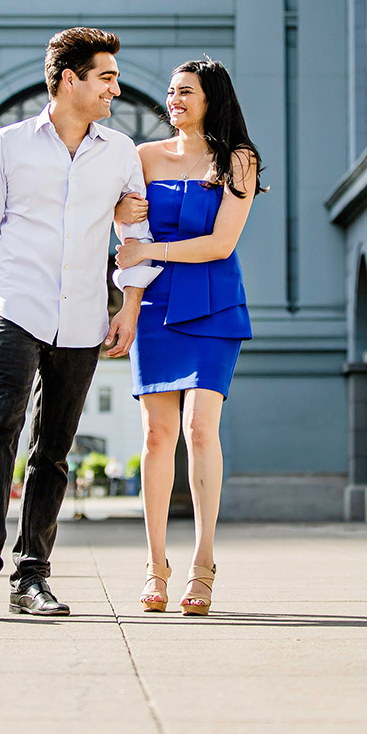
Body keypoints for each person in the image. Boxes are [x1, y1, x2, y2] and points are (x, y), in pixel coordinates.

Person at [0, 27, 156, 615]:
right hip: (15, 306)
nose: (115, 88)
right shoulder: (8, 145)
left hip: (85, 316)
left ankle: (31, 576)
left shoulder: (118, 153)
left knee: (53, 451)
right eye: (106, 77)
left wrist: (130, 307)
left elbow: (134, 237)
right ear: (71, 79)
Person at [112, 57, 259, 618]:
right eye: (171, 92)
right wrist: (121, 217)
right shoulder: (142, 157)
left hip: (214, 302)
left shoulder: (238, 161)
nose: (174, 100)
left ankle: (202, 565)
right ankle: (155, 566)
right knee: (156, 436)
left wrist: (150, 248)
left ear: (211, 97)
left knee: (200, 429)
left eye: (186, 91)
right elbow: (128, 235)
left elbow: (221, 244)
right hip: (153, 306)